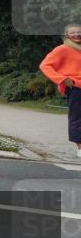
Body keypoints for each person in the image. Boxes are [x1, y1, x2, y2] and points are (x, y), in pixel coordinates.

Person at [39, 23, 81, 159]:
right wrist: (61, 79)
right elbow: (45, 65)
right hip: (75, 88)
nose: (77, 35)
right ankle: (80, 148)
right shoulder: (62, 49)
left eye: (79, 32)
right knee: (77, 118)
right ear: (67, 35)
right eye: (73, 33)